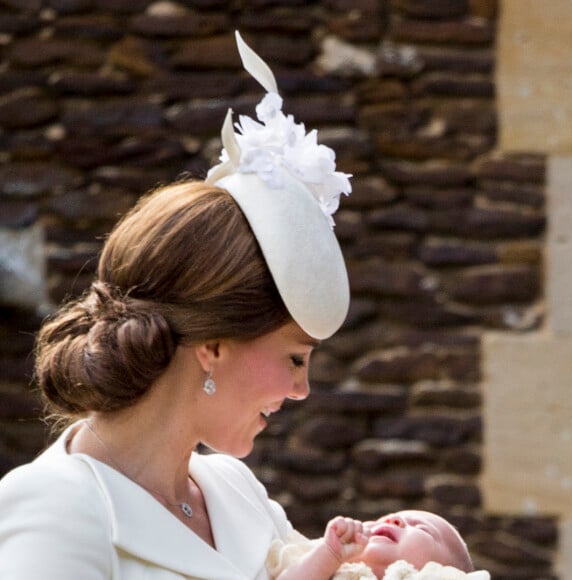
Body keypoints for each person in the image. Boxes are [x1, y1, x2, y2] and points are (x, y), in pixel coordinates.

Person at [0, 32, 351, 580]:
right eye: (294, 359)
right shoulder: (54, 510)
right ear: (212, 346)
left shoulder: (237, 492)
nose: (301, 389)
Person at [267, 510, 491, 580]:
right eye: (381, 519)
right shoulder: (325, 568)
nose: (393, 520)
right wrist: (327, 555)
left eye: (422, 529)